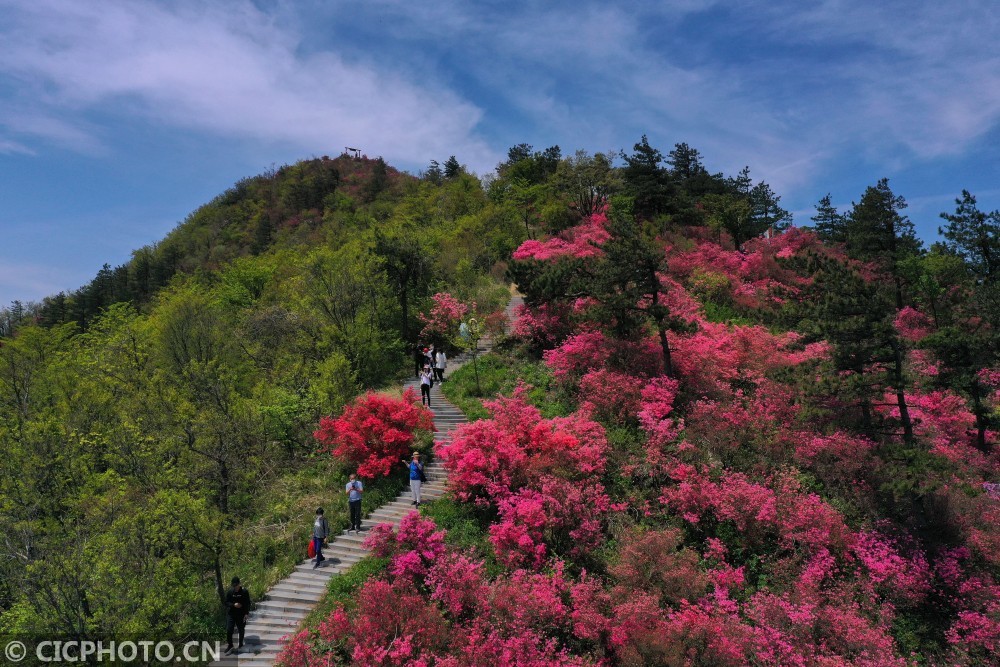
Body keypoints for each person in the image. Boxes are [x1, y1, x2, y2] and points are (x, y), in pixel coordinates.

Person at [224, 576, 251, 655]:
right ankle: (230, 645)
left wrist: (246, 613)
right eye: (234, 586)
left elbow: (247, 603)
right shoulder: (230, 592)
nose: (235, 587)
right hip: (231, 614)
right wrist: (233, 605)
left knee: (241, 629)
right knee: (229, 629)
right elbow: (226, 602)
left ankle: (240, 644)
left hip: (241, 614)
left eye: (236, 585)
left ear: (239, 584)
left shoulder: (244, 591)